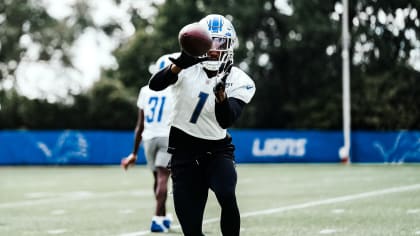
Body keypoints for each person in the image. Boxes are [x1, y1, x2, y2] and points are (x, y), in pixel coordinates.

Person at [149, 14, 256, 236]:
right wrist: (179, 65)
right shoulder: (185, 67)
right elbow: (155, 85)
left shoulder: (240, 80)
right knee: (191, 229)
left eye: (221, 42)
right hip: (183, 150)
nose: (215, 48)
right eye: (211, 41)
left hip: (217, 149)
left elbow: (226, 119)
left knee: (227, 193)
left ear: (230, 46)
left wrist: (221, 97)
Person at [121, 53, 179, 233]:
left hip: (148, 139)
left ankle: (162, 217)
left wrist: (134, 152)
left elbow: (140, 125)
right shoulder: (174, 90)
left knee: (157, 179)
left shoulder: (145, 90)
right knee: (163, 179)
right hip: (167, 137)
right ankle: (157, 218)